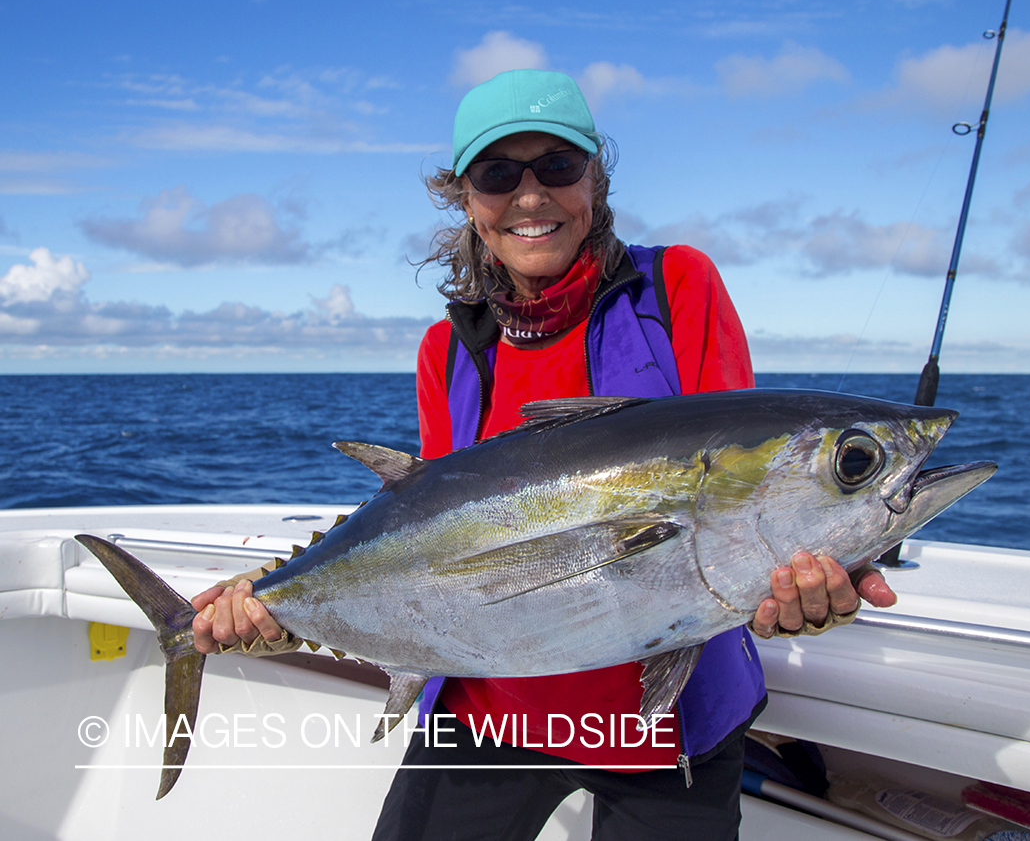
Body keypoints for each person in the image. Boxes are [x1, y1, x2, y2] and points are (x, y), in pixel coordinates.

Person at [191, 69, 897, 840]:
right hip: (489, 700)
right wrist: (280, 597)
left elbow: (749, 492)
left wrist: (814, 573)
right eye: (498, 173)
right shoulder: (449, 349)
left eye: (557, 167)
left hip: (673, 724)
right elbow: (425, 530)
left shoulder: (676, 288)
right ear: (466, 196)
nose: (530, 196)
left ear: (594, 178)